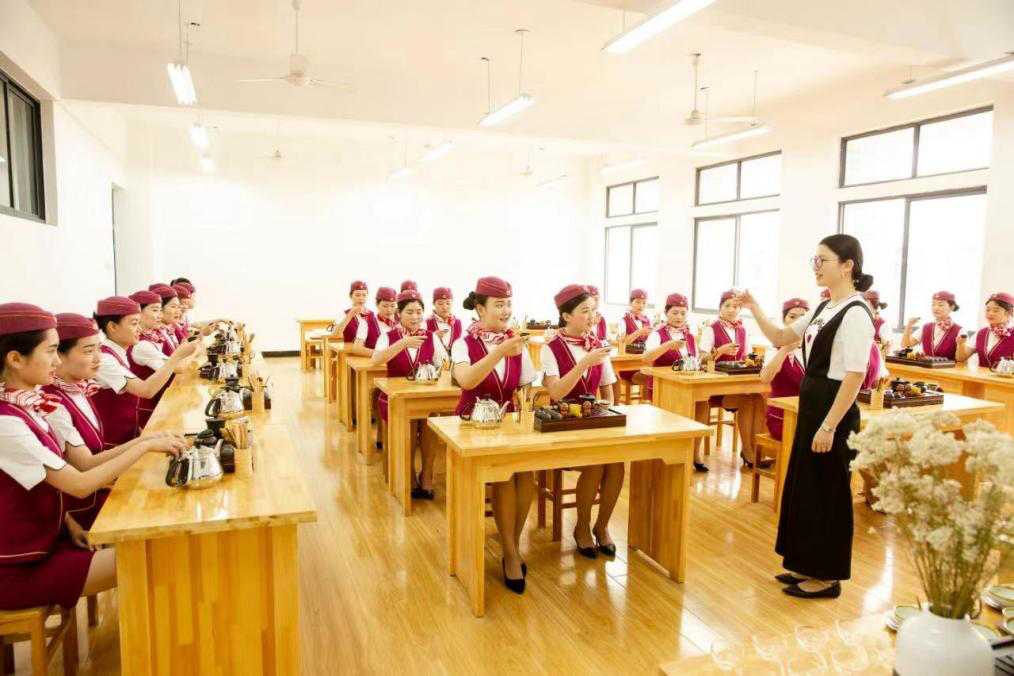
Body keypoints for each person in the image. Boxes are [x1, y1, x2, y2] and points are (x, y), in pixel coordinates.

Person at [0, 302, 186, 611]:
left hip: (52, 541)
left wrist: (69, 524)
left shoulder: (29, 405)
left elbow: (45, 479)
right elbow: (79, 483)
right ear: (16, 359)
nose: (56, 361)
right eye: (52, 351)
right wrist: (143, 446)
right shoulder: (7, 423)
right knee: (159, 555)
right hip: (19, 569)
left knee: (162, 541)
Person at [737, 233, 875, 599]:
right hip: (813, 404)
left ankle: (828, 577)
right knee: (806, 488)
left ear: (847, 265)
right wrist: (754, 307)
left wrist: (829, 425)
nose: (816, 267)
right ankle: (804, 563)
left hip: (833, 409)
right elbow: (782, 334)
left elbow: (855, 376)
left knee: (829, 492)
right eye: (814, 260)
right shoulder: (823, 307)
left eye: (822, 260)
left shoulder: (856, 313)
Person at [451, 276, 536, 593]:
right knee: (505, 476)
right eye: (499, 304)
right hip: (472, 425)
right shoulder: (464, 343)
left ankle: (511, 543)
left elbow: (526, 386)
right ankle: (511, 554)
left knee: (526, 476)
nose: (506, 311)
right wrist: (500, 351)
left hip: (508, 424)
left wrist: (527, 403)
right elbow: (467, 380)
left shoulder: (516, 345)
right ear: (480, 308)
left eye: (508, 304)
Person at [542, 284, 622, 558]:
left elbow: (608, 388)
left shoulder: (597, 346)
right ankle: (582, 526)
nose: (592, 316)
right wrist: (584, 363)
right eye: (585, 311)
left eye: (593, 310)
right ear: (566, 316)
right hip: (563, 424)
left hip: (595, 422)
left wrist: (609, 411)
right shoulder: (551, 348)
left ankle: (602, 526)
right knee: (596, 462)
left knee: (617, 462)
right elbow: (555, 392)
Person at [371, 289, 447, 499]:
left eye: (419, 312)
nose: (415, 317)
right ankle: (409, 472)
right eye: (410, 312)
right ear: (399, 314)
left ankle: (427, 473)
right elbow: (376, 360)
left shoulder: (430, 336)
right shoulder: (389, 337)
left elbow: (444, 364)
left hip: (425, 397)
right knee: (410, 422)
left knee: (431, 419)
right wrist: (402, 343)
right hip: (394, 398)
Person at [91, 296, 198, 447]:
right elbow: (146, 390)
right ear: (113, 326)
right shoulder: (105, 360)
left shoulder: (118, 353)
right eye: (134, 323)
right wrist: (178, 356)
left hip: (130, 434)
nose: (140, 329)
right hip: (112, 443)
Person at [699, 290, 769, 469]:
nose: (732, 310)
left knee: (758, 399)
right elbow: (702, 359)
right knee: (748, 401)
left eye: (736, 306)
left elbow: (746, 356)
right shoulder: (711, 329)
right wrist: (720, 351)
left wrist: (753, 360)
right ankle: (748, 451)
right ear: (720, 308)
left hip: (737, 384)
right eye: (727, 306)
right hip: (715, 387)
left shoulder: (743, 330)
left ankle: (754, 450)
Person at [640, 292, 707, 472]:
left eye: (683, 313)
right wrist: (668, 345)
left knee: (703, 404)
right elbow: (646, 358)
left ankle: (695, 451)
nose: (679, 317)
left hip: (686, 385)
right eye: (675, 313)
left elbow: (695, 360)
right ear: (666, 313)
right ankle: (674, 455)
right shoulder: (657, 334)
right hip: (663, 387)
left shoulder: (690, 336)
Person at [127, 290, 194, 432]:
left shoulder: (155, 335)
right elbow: (177, 366)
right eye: (155, 310)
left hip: (162, 402)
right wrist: (194, 349)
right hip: (151, 410)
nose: (160, 315)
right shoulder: (141, 345)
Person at [759, 299, 809, 441]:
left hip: (808, 415)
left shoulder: (813, 347)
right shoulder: (774, 349)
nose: (798, 321)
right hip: (782, 417)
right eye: (792, 317)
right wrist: (785, 349)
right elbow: (765, 378)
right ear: (784, 320)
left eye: (803, 317)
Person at [956, 292, 1014, 368]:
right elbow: (961, 358)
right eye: (987, 310)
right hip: (981, 375)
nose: (990, 313)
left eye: (996, 310)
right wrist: (961, 344)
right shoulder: (981, 333)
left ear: (1009, 312)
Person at [900, 291, 962, 359]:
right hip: (926, 366)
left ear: (952, 307)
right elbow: (905, 345)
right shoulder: (925, 327)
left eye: (940, 305)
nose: (935, 308)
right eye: (933, 304)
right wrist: (909, 326)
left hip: (950, 366)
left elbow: (962, 359)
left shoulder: (960, 330)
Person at [349, 287, 397, 358]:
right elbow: (356, 349)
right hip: (375, 363)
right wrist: (383, 355)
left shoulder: (401, 324)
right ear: (377, 305)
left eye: (392, 306)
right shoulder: (366, 323)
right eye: (385, 306)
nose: (389, 310)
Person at [427, 287, 463, 352]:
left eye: (448, 303)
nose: (445, 307)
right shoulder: (426, 322)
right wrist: (432, 337)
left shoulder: (458, 322)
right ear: (433, 303)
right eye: (440, 304)